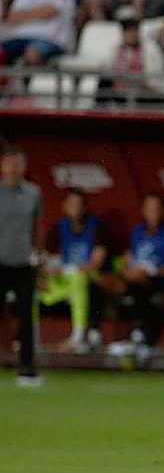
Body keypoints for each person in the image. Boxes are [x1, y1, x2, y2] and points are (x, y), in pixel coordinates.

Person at [107, 193, 164, 365]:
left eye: (156, 208)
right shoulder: (137, 231)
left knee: (138, 284)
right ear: (143, 211)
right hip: (135, 278)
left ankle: (139, 335)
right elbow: (127, 259)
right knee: (110, 281)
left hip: (159, 279)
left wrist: (152, 272)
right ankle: (98, 336)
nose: (153, 212)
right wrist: (128, 271)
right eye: (150, 208)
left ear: (162, 211)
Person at [39, 188, 109, 354]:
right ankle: (30, 338)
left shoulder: (96, 226)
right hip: (66, 279)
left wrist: (68, 270)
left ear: (85, 207)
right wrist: (45, 271)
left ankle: (78, 337)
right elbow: (43, 256)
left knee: (79, 279)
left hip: (90, 278)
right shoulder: (60, 227)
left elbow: (97, 262)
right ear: (64, 206)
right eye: (71, 204)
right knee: (33, 288)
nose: (74, 208)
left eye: (78, 204)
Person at [0, 148, 42, 387]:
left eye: (18, 164)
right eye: (10, 164)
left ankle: (26, 367)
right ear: (2, 167)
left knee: (26, 317)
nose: (14, 169)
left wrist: (39, 256)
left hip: (23, 264)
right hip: (0, 262)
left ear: (24, 167)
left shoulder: (33, 193)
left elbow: (37, 226)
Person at [2, 0, 77, 66]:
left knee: (32, 54)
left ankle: (35, 77)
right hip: (22, 36)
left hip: (51, 39)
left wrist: (25, 14)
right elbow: (13, 18)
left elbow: (50, 12)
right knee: (1, 52)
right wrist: (39, 11)